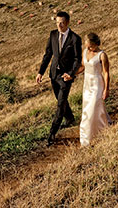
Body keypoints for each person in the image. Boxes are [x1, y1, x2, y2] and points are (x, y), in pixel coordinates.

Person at [36, 11, 82, 146]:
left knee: (60, 103)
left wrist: (71, 74)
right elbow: (48, 54)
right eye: (57, 22)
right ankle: (70, 118)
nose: (59, 25)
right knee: (60, 99)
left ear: (67, 22)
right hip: (53, 74)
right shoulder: (53, 35)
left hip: (65, 77)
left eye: (61, 23)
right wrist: (40, 72)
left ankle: (52, 133)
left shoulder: (75, 39)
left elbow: (77, 59)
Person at [75, 32, 111, 147]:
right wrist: (71, 74)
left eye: (90, 46)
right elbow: (82, 66)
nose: (88, 48)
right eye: (87, 45)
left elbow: (106, 73)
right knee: (87, 110)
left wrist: (106, 89)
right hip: (87, 85)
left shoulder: (102, 55)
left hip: (97, 84)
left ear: (96, 44)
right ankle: (88, 136)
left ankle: (95, 134)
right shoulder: (85, 52)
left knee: (93, 109)